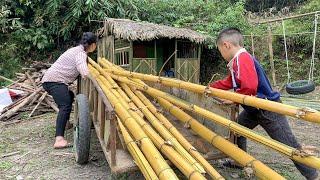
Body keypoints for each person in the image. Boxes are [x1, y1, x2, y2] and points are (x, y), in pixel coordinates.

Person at [210, 28, 318, 180]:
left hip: (268, 108)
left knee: (289, 145)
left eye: (220, 50)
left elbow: (250, 86)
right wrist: (210, 87)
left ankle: (312, 175)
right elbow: (229, 82)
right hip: (253, 108)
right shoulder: (235, 62)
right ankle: (240, 160)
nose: (222, 55)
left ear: (226, 45)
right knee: (237, 129)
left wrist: (233, 98)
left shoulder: (243, 58)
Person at [42, 32, 97, 149]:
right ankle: (59, 139)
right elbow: (84, 71)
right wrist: (95, 78)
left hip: (51, 80)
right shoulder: (81, 54)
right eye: (95, 44)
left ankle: (65, 123)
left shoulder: (76, 50)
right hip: (54, 81)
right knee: (65, 105)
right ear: (92, 45)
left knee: (70, 95)